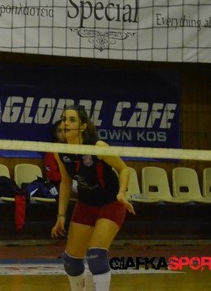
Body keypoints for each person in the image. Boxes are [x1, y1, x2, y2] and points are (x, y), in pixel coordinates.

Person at [51, 105, 135, 291]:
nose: (66, 123)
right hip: (86, 204)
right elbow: (65, 182)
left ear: (83, 126)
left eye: (72, 120)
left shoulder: (98, 147)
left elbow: (123, 169)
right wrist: (61, 216)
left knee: (96, 256)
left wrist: (122, 192)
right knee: (71, 261)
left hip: (110, 203)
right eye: (64, 119)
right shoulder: (60, 151)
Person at [44, 120, 64, 188]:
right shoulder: (52, 151)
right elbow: (52, 175)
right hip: (58, 184)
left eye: (66, 130)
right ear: (55, 133)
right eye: (59, 131)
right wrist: (67, 177)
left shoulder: (75, 148)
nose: (63, 134)